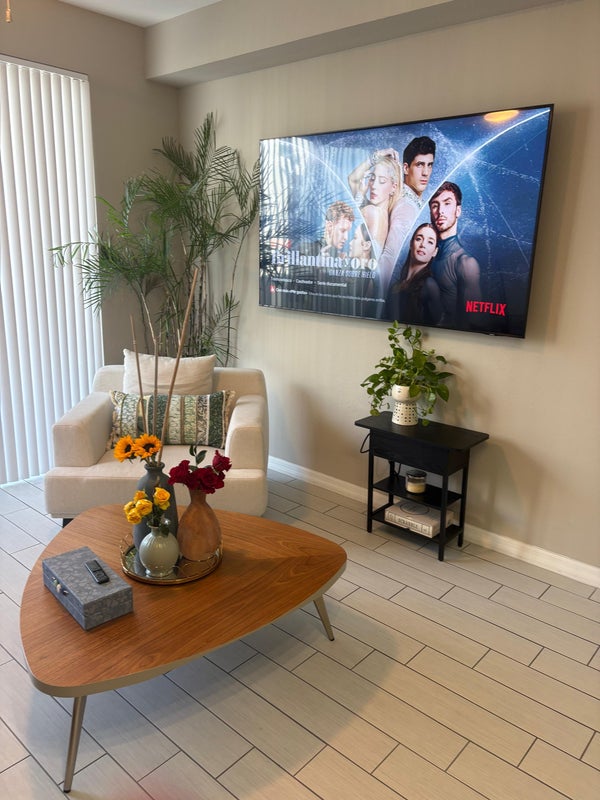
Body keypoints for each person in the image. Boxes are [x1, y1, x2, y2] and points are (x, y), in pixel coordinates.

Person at [376, 136, 437, 297]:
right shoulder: (406, 206)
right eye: (419, 165)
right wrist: (378, 301)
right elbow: (389, 256)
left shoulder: (407, 198)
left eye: (430, 165)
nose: (425, 173)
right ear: (406, 168)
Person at [428, 181, 482, 328]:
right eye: (435, 205)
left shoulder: (466, 263)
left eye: (447, 203)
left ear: (458, 211)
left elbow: (473, 322)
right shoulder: (422, 255)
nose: (440, 211)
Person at [386, 222, 443, 325]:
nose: (423, 245)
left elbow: (438, 325)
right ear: (411, 244)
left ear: (435, 251)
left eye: (430, 242)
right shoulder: (396, 286)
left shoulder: (429, 285)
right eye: (419, 239)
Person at [348, 153, 402, 256]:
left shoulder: (371, 211)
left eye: (382, 181)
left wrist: (375, 156)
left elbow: (346, 220)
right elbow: (352, 180)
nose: (374, 186)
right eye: (372, 178)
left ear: (393, 187)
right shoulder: (387, 217)